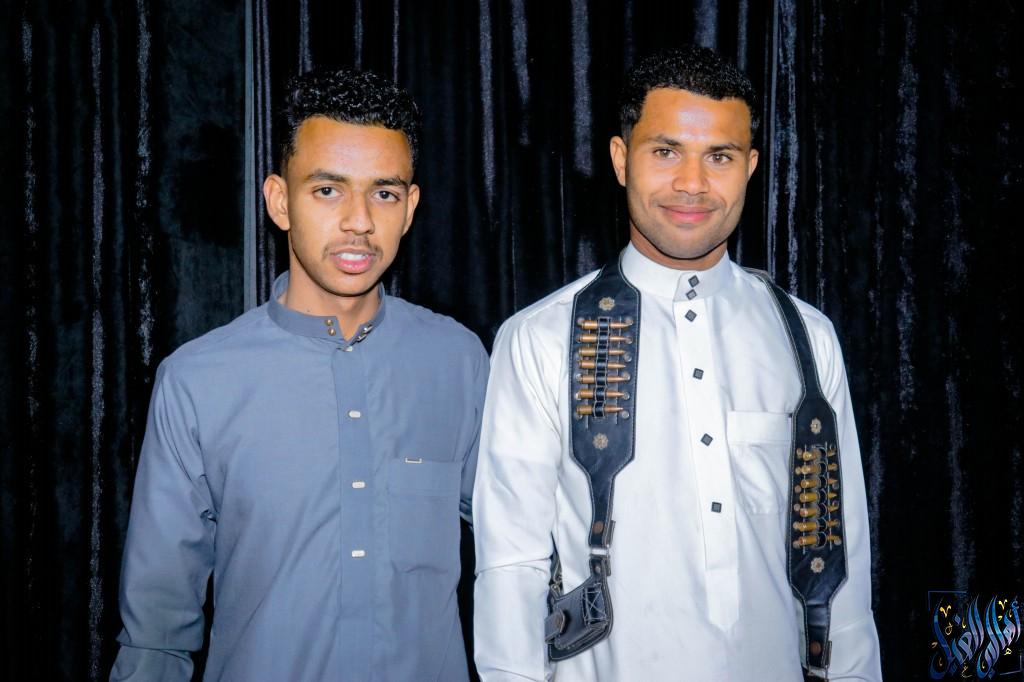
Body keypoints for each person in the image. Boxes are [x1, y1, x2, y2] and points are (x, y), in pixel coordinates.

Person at [472, 46, 881, 681]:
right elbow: (510, 566)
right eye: (665, 152)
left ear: (750, 167)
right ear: (620, 159)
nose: (692, 183)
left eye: (719, 156)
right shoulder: (540, 338)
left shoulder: (807, 337)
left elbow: (842, 560)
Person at [111, 68, 488, 681]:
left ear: (410, 208)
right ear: (279, 201)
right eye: (328, 190)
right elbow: (155, 635)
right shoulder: (196, 383)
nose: (359, 221)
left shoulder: (460, 361)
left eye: (384, 193)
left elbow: (523, 551)